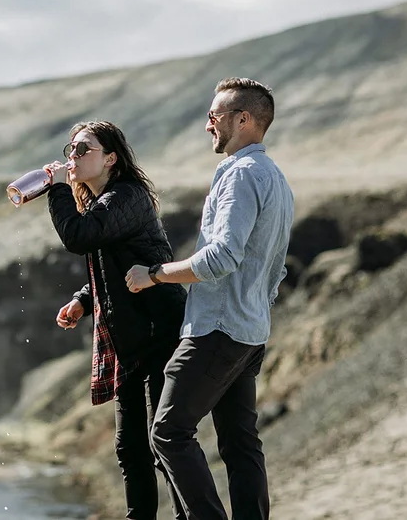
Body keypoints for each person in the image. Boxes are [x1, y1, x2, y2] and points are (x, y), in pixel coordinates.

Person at [124, 78, 294, 520]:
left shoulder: (239, 174)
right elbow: (276, 269)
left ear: (244, 119)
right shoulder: (277, 179)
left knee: (167, 432)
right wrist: (252, 306)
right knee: (240, 444)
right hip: (251, 331)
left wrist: (155, 275)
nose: (208, 126)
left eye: (214, 116)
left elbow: (220, 258)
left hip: (216, 329)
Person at [44, 120, 188, 520]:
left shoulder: (126, 196)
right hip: (128, 340)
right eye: (68, 150)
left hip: (160, 333)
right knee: (130, 449)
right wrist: (82, 301)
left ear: (110, 158)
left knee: (166, 444)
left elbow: (79, 237)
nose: (70, 157)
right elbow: (113, 268)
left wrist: (55, 188)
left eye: (81, 150)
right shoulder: (100, 202)